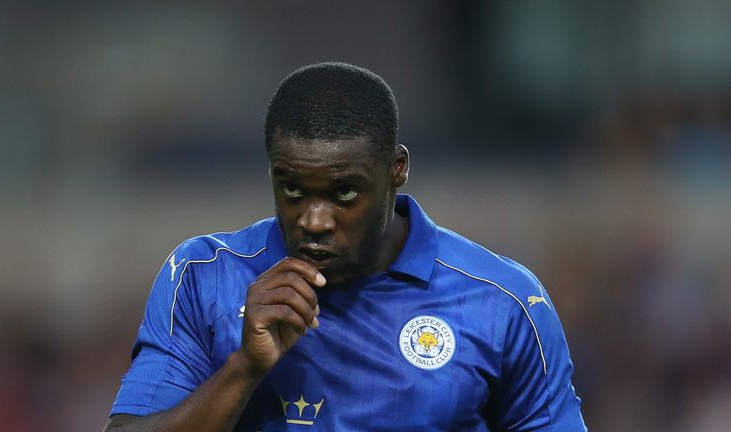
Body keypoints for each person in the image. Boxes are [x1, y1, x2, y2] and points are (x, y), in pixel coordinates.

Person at [104, 62, 587, 431]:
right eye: (292, 189)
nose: (314, 221)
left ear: (396, 169)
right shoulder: (205, 277)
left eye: (344, 193)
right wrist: (243, 370)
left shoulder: (502, 302)